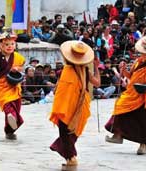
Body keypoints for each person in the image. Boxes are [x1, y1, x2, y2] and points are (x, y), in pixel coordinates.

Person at [105, 35, 146, 155]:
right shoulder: (138, 61)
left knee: (143, 119)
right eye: (143, 52)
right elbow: (132, 77)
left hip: (145, 95)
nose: (145, 54)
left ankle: (143, 145)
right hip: (132, 92)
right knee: (120, 106)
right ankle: (118, 135)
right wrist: (124, 71)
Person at [49, 40, 100, 168]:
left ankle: (71, 158)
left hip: (64, 107)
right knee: (70, 133)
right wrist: (97, 68)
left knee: (65, 132)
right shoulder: (86, 71)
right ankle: (69, 157)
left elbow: (57, 90)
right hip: (80, 108)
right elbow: (97, 83)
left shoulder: (64, 71)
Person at [0, 31, 25, 140]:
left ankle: (9, 131)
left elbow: (21, 66)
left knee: (16, 107)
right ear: (1, 45)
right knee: (7, 103)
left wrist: (17, 69)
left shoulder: (17, 56)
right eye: (7, 44)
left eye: (12, 44)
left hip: (14, 85)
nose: (10, 47)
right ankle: (10, 115)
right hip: (1, 85)